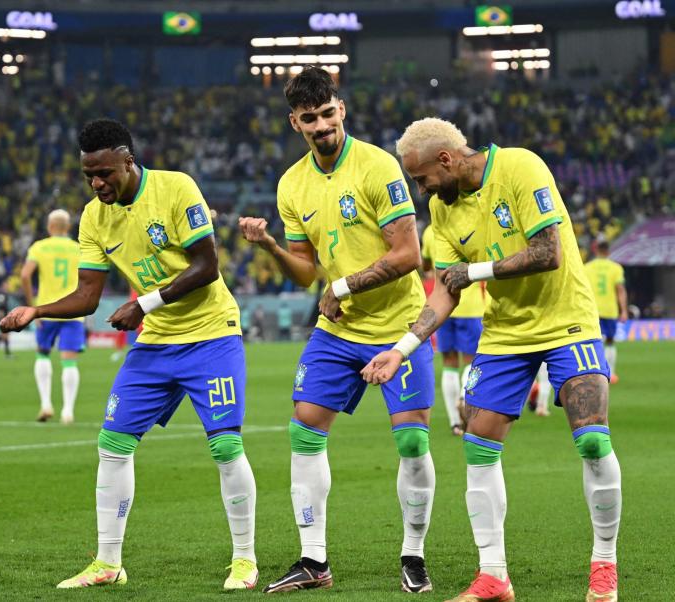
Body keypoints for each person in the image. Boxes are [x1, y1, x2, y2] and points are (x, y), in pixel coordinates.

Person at [363, 117, 620, 602]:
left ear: (445, 159)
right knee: (478, 442)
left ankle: (604, 566)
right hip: (504, 333)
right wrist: (401, 349)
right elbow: (445, 290)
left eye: (421, 179)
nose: (421, 191)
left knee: (590, 440)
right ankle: (494, 576)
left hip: (568, 321)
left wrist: (473, 270)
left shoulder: (521, 167)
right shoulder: (443, 212)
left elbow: (548, 252)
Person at [1, 118, 258, 590]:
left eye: (105, 173)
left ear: (127, 160)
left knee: (224, 445)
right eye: (88, 176)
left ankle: (244, 560)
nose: (97, 184)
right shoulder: (94, 218)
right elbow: (87, 297)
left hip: (211, 333)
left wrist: (145, 303)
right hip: (156, 342)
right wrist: (36, 311)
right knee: (113, 444)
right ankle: (108, 564)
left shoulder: (177, 188)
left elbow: (207, 265)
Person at [239, 66, 436, 594]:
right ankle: (313, 559)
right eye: (310, 119)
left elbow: (408, 255)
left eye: (328, 114)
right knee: (304, 428)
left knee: (413, 441)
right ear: (295, 123)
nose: (322, 125)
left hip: (399, 325)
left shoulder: (378, 167)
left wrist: (344, 285)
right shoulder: (292, 184)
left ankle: (413, 554)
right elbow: (305, 271)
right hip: (339, 329)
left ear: (341, 109)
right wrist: (273, 249)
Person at [422, 224, 487, 435]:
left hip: (443, 305)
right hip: (471, 306)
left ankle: (455, 423)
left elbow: (425, 265)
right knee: (470, 360)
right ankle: (463, 397)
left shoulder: (431, 232)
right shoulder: (472, 225)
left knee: (449, 364)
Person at [20, 209, 83, 423]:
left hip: (46, 309)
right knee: (69, 361)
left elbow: (25, 275)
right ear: (67, 228)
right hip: (74, 311)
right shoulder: (79, 249)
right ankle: (68, 411)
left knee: (43, 354)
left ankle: (46, 404)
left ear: (50, 227)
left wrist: (32, 306)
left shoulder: (39, 247)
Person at [584, 240, 627, 384]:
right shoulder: (616, 268)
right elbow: (620, 290)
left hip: (591, 310)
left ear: (596, 251)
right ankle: (611, 374)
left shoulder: (587, 267)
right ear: (608, 252)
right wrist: (624, 310)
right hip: (610, 310)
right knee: (610, 342)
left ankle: (595, 372)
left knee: (593, 342)